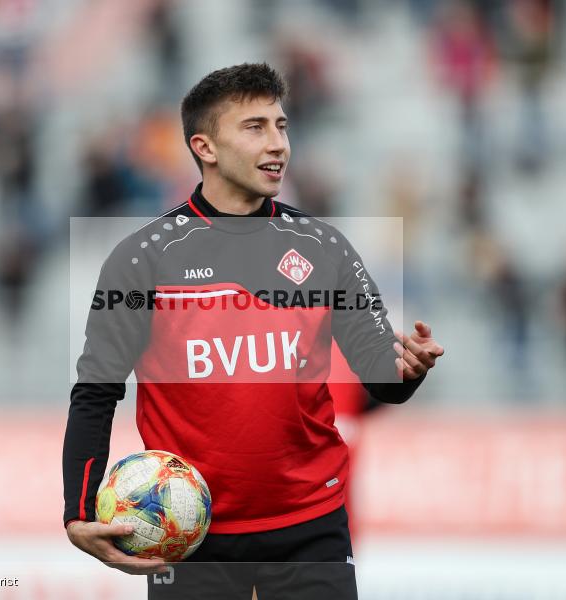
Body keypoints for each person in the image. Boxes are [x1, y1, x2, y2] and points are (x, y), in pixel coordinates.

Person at [63, 63, 444, 599]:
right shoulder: (141, 260)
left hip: (312, 529)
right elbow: (96, 391)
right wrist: (77, 512)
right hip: (188, 538)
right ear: (206, 147)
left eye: (282, 126)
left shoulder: (323, 247)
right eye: (255, 127)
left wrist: (409, 369)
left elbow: (381, 380)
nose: (278, 144)